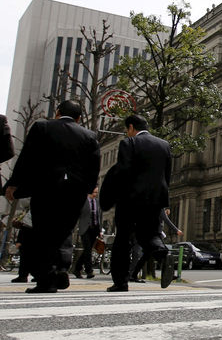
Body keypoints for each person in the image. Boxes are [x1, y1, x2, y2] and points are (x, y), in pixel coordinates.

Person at [4, 100, 100, 293]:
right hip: (74, 192)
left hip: (45, 188)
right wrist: (89, 188)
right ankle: (61, 268)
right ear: (79, 118)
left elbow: (27, 158)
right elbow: (94, 165)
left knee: (42, 232)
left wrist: (14, 184)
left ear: (57, 113)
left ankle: (46, 278)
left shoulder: (42, 127)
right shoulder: (89, 136)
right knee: (63, 231)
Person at [107, 114, 174, 292]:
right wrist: (163, 202)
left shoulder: (128, 144)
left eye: (126, 130)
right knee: (149, 234)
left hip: (131, 199)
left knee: (123, 239)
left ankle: (121, 282)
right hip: (155, 200)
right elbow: (167, 176)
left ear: (131, 128)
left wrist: (116, 196)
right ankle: (163, 254)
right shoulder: (164, 145)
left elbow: (123, 172)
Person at [73, 187, 102, 279]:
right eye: (94, 192)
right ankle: (89, 271)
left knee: (87, 250)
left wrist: (100, 230)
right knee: (88, 249)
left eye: (97, 192)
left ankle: (77, 269)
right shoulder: (83, 201)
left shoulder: (97, 202)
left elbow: (99, 217)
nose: (95, 194)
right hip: (85, 228)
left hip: (94, 229)